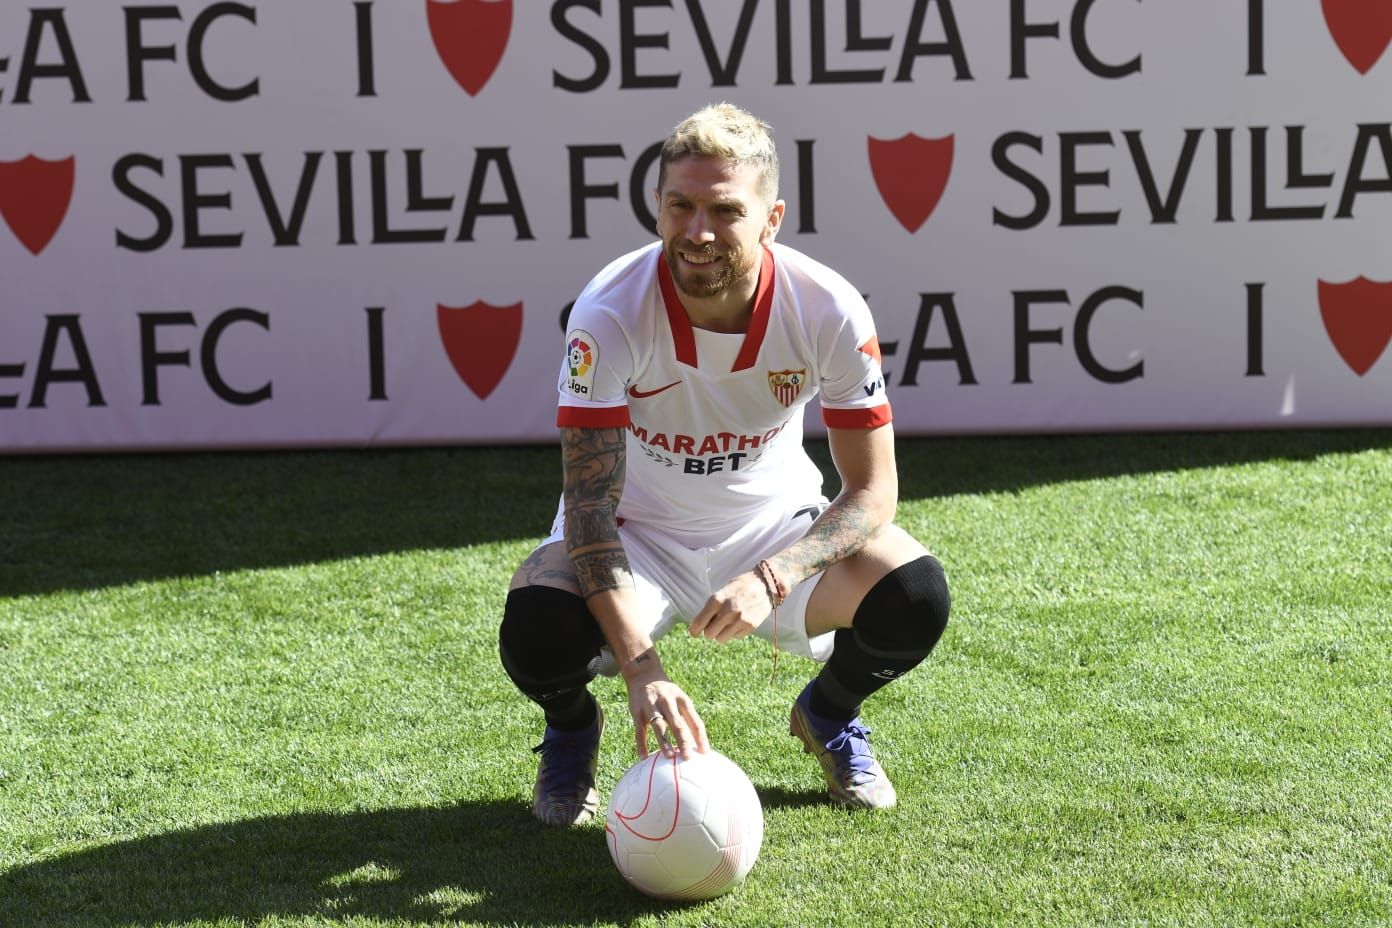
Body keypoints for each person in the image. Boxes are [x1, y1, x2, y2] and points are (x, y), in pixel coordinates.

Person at [499, 102, 950, 826]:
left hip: (769, 530)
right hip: (635, 534)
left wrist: (774, 575)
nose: (698, 232)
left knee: (916, 593)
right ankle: (573, 732)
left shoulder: (828, 309)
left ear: (772, 218)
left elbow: (872, 492)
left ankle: (828, 715)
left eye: (724, 211)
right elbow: (586, 509)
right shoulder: (609, 313)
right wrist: (642, 669)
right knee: (535, 628)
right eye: (680, 206)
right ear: (657, 208)